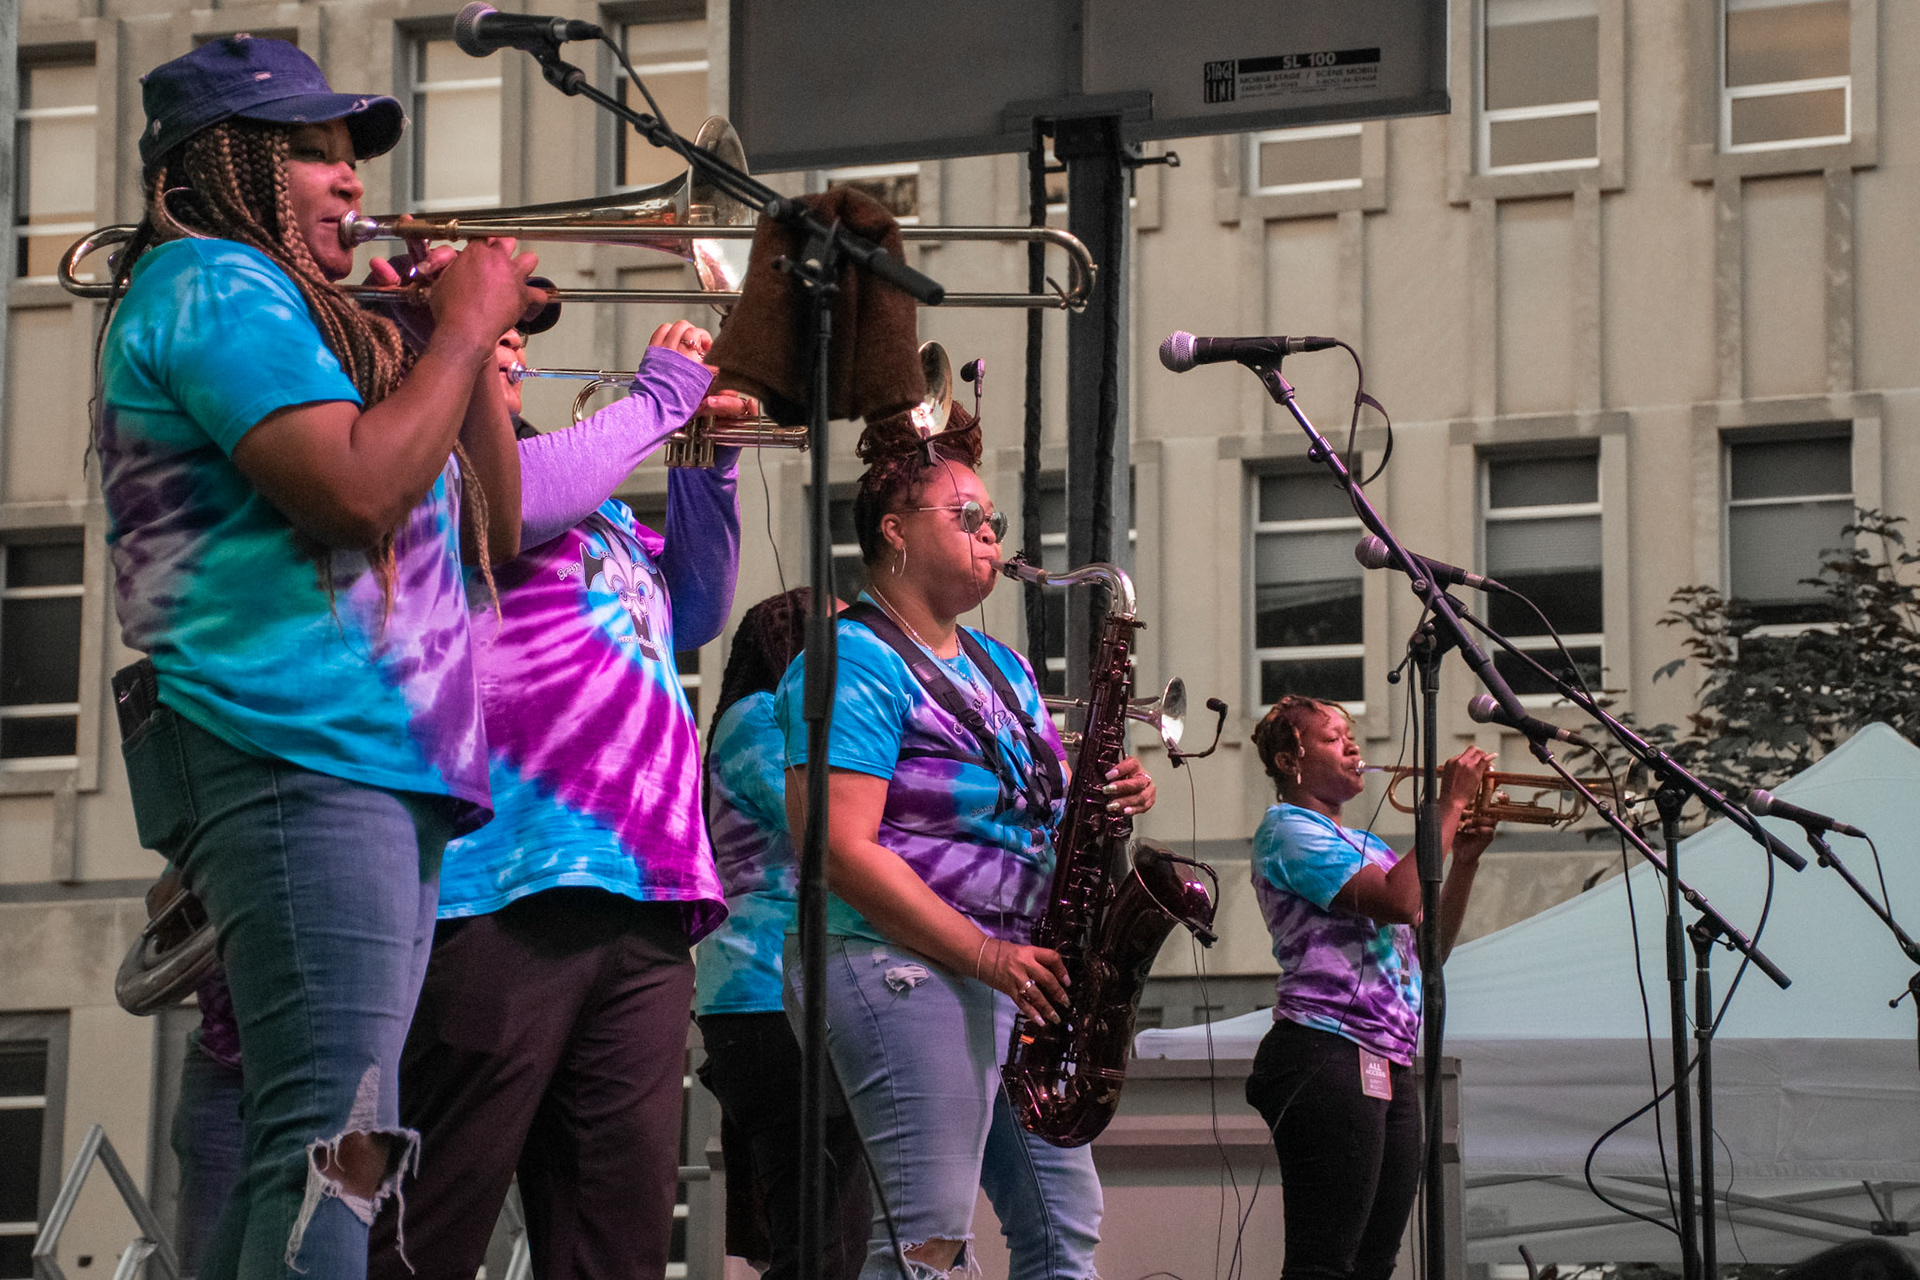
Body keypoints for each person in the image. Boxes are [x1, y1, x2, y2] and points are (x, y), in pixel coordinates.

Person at [97, 35, 540, 1280]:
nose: (351, 181)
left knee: (341, 1142)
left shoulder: (310, 316)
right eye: (314, 152)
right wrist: (457, 331)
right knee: (332, 1143)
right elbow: (352, 491)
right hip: (293, 745)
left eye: (353, 155)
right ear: (229, 164)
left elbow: (498, 530)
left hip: (367, 759)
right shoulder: (209, 284)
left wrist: (471, 352)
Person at [368, 317, 744, 1280]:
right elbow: (520, 505)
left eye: (517, 344)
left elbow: (693, 610)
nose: (516, 352)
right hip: (501, 888)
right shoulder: (428, 466)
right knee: (434, 1223)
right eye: (490, 332)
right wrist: (662, 402)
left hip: (649, 890)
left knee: (615, 1243)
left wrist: (712, 465)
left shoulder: (601, 502)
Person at [775, 403, 1156, 1280]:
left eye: (995, 522)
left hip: (1012, 974)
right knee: (929, 1238)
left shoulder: (1003, 665)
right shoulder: (852, 657)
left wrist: (1108, 800)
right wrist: (986, 955)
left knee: (1065, 1232)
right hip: (901, 963)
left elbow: (1044, 815)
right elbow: (833, 846)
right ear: (895, 532)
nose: (992, 536)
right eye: (968, 518)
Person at [1242, 696, 1496, 1280]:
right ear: (1290, 760)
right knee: (1326, 1259)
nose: (1353, 747)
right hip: (1326, 1047)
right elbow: (1400, 901)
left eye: (1350, 736)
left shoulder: (1373, 848)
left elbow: (1430, 950)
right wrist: (1448, 806)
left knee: (1375, 1261)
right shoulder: (1287, 830)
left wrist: (1465, 863)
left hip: (1387, 1055)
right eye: (1333, 738)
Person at [692, 588, 870, 1280]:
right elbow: (819, 818)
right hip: (765, 996)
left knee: (832, 1244)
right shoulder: (754, 720)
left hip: (804, 995)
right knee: (817, 1246)